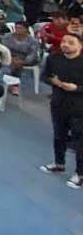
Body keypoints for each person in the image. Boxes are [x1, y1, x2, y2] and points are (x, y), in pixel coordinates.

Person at [38, 33, 83, 189]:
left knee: (79, 141)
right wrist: (54, 81)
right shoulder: (54, 58)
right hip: (58, 104)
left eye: (71, 42)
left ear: (80, 46)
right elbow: (44, 76)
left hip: (79, 107)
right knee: (59, 135)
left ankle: (80, 173)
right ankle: (59, 163)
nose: (65, 44)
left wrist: (76, 88)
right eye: (64, 41)